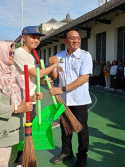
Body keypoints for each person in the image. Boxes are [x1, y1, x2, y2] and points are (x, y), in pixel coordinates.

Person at [0, 41, 41, 167]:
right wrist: (18, 108)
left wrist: (32, 98)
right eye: (9, 52)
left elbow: (13, 97)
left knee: (10, 163)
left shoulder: (12, 73)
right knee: (0, 164)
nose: (13, 55)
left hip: (14, 133)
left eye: (13, 52)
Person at [13, 25, 59, 163]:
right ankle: (18, 161)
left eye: (38, 38)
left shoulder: (30, 54)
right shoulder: (19, 53)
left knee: (27, 134)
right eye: (33, 37)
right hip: (22, 99)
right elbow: (35, 73)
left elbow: (32, 77)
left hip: (31, 98)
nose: (36, 40)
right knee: (22, 134)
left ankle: (21, 160)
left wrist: (43, 82)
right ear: (23, 38)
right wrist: (54, 66)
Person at [49, 28, 92, 167]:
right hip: (64, 100)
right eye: (72, 38)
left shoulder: (85, 56)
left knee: (81, 129)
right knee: (65, 128)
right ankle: (67, 152)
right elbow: (54, 77)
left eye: (78, 38)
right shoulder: (59, 56)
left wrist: (62, 89)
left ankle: (82, 155)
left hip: (79, 99)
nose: (76, 40)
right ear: (65, 41)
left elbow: (84, 78)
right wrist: (52, 66)